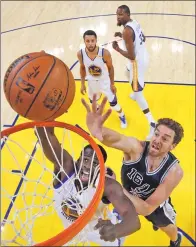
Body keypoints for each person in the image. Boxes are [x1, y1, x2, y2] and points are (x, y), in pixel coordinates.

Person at [82, 95, 184, 247]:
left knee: (169, 228)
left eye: (165, 139)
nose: (157, 140)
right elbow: (116, 139)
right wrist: (99, 131)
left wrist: (117, 188)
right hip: (127, 197)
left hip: (152, 205)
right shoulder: (137, 148)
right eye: (156, 134)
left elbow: (147, 208)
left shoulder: (174, 171)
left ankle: (176, 240)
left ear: (172, 146)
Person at [35, 126, 140, 246]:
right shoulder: (65, 170)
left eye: (94, 163)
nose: (88, 166)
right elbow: (44, 135)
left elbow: (134, 222)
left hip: (98, 227)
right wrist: (41, 115)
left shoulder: (108, 186)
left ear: (100, 169)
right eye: (85, 160)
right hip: (72, 229)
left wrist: (116, 230)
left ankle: (116, 214)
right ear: (78, 160)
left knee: (115, 241)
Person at [112, 5, 155, 139]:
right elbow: (143, 38)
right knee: (126, 70)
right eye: (117, 14)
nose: (118, 17)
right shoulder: (134, 23)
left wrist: (117, 49)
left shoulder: (127, 31)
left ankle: (153, 123)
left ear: (127, 15)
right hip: (143, 56)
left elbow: (131, 56)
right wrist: (124, 37)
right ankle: (136, 90)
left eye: (121, 15)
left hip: (137, 62)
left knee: (138, 93)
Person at [77, 30, 127, 129]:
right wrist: (82, 83)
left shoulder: (105, 53)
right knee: (94, 103)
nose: (90, 43)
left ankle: (122, 116)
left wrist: (112, 84)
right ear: (84, 41)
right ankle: (99, 108)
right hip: (91, 83)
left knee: (114, 105)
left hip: (105, 82)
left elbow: (111, 68)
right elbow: (82, 67)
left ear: (96, 40)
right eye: (87, 41)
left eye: (92, 40)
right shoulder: (80, 54)